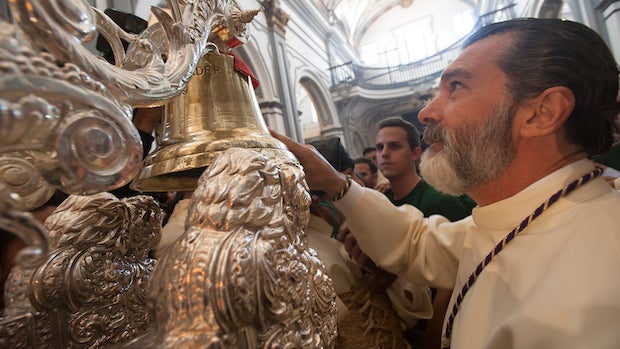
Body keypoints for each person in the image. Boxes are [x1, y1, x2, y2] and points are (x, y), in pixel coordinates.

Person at [271, 17, 620, 349]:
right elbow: (420, 243)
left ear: (540, 113)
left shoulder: (595, 288)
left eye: (456, 87)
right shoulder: (530, 208)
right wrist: (335, 183)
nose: (426, 112)